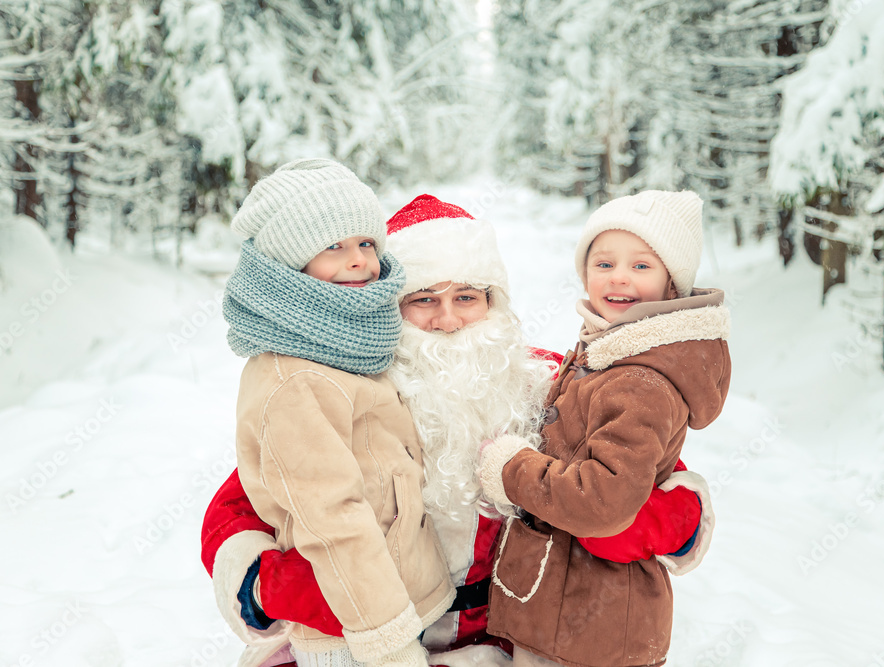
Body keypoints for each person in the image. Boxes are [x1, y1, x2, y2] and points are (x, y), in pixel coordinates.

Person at [203, 193, 716, 667]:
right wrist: (283, 588)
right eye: (424, 300)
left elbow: (656, 481)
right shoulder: (352, 393)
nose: (448, 321)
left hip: (512, 645)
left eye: (467, 297)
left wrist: (629, 524)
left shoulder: (544, 382)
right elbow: (244, 503)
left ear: (495, 305)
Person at [477, 190, 731, 667]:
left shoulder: (640, 379)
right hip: (567, 618)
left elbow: (601, 501)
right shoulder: (613, 349)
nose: (618, 277)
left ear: (672, 285)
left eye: (641, 265)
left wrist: (510, 469)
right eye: (604, 263)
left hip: (590, 632)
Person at [220, 159, 456, 667]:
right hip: (352, 631)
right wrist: (389, 645)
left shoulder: (349, 347)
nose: (359, 261)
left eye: (367, 243)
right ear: (289, 261)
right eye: (334, 246)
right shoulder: (295, 377)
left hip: (392, 606)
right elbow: (332, 519)